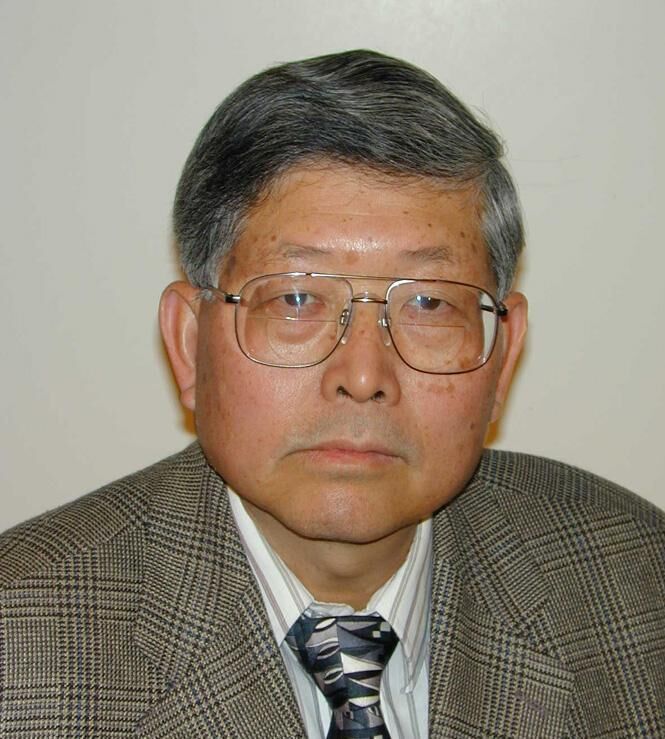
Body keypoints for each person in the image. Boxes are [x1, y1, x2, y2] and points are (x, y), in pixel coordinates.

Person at [1, 49, 663, 739]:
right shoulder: (20, 649)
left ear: (503, 354)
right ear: (188, 342)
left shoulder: (634, 583)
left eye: (429, 304)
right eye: (295, 298)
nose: (364, 375)